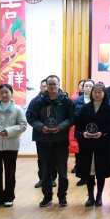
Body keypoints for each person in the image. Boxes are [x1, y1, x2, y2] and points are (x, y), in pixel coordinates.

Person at [27, 75, 76, 207]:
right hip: (44, 142)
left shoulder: (66, 101)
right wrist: (41, 127)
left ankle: (62, 197)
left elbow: (72, 118)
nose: (52, 87)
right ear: (46, 86)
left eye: (54, 84)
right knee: (45, 172)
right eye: (49, 84)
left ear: (59, 85)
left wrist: (60, 127)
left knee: (62, 172)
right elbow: (31, 118)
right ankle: (47, 197)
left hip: (61, 141)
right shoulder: (39, 102)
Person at [75, 83, 110, 207]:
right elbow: (79, 123)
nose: (97, 94)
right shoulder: (86, 107)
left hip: (103, 144)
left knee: (101, 172)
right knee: (89, 171)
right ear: (91, 93)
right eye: (95, 92)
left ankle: (99, 196)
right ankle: (90, 197)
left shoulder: (108, 108)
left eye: (100, 92)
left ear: (104, 93)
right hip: (87, 144)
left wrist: (102, 132)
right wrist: (83, 132)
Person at [25, 78, 56, 188]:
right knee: (42, 158)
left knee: (54, 158)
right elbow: (29, 117)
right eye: (44, 86)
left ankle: (52, 179)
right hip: (41, 135)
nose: (47, 88)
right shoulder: (35, 101)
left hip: (56, 135)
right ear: (40, 88)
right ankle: (42, 179)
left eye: (49, 85)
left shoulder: (59, 100)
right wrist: (41, 127)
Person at [72, 79, 94, 186]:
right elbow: (75, 117)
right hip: (81, 132)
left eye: (90, 86)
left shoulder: (97, 100)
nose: (88, 88)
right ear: (83, 88)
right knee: (81, 156)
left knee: (93, 157)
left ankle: (92, 178)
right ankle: (82, 177)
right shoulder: (77, 101)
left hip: (95, 133)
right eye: (86, 86)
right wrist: (83, 130)